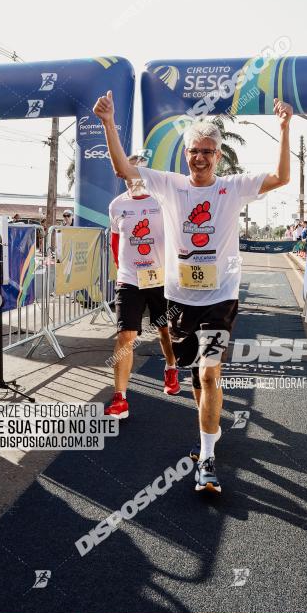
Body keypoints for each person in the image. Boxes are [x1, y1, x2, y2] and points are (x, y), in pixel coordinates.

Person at [93, 90, 292, 493]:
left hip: (221, 298)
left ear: (218, 156)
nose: (199, 157)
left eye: (207, 151)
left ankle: (207, 461)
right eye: (193, 151)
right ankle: (207, 438)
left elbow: (282, 177)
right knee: (196, 380)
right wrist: (108, 123)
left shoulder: (233, 188)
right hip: (179, 299)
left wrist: (285, 129)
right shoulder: (169, 185)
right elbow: (120, 167)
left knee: (209, 371)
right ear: (185, 155)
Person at [105, 154, 180, 419]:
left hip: (160, 280)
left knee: (164, 330)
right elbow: (116, 242)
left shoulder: (162, 202)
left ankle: (171, 366)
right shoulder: (116, 205)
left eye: (136, 174)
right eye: (127, 174)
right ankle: (120, 398)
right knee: (126, 336)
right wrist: (122, 270)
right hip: (129, 280)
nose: (131, 179)